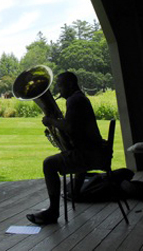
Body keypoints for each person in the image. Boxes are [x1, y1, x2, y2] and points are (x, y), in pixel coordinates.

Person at [27, 71, 105, 225]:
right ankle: (76, 193)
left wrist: (51, 121)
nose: (58, 89)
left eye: (60, 85)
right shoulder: (80, 98)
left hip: (88, 155)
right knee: (66, 155)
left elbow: (69, 127)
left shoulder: (74, 100)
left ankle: (53, 212)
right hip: (95, 152)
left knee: (48, 164)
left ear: (69, 85)